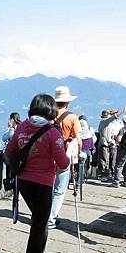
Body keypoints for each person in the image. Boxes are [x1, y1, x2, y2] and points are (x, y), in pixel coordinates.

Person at [5, 94, 70, 253]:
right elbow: (63, 163)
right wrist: (70, 153)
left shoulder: (22, 127)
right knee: (40, 226)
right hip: (42, 183)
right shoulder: (52, 133)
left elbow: (9, 152)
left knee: (38, 221)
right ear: (50, 110)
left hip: (24, 181)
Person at [47, 86, 82, 230]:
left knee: (47, 188)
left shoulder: (48, 116)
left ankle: (41, 215)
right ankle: (50, 219)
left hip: (48, 157)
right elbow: (79, 139)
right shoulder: (72, 117)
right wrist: (79, 153)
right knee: (59, 190)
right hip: (63, 156)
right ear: (68, 102)